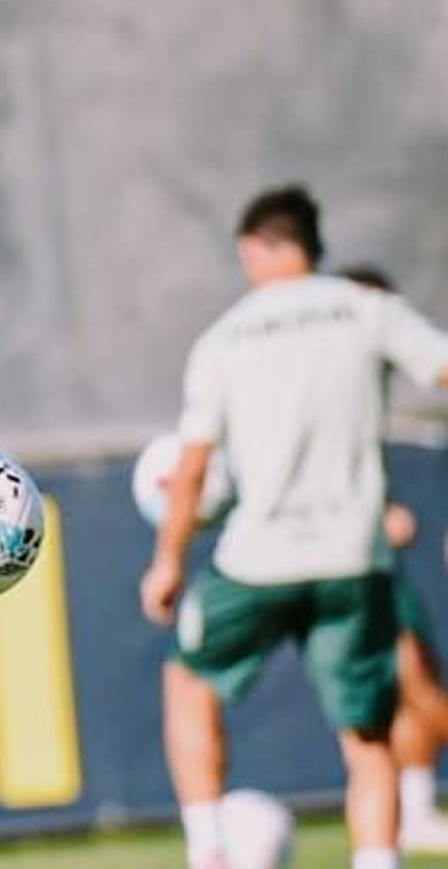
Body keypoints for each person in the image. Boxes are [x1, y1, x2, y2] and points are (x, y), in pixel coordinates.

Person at [139, 184, 448, 869]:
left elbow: (192, 469)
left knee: (188, 682)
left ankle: (209, 850)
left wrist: (167, 562)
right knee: (367, 738)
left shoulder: (225, 337)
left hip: (257, 560)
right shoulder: (366, 308)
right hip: (354, 556)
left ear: (256, 248)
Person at [341, 263, 448, 854]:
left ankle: (415, 807)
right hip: (344, 562)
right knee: (415, 681)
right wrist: (370, 517)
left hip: (374, 557)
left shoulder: (367, 387)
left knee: (410, 685)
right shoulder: (324, 379)